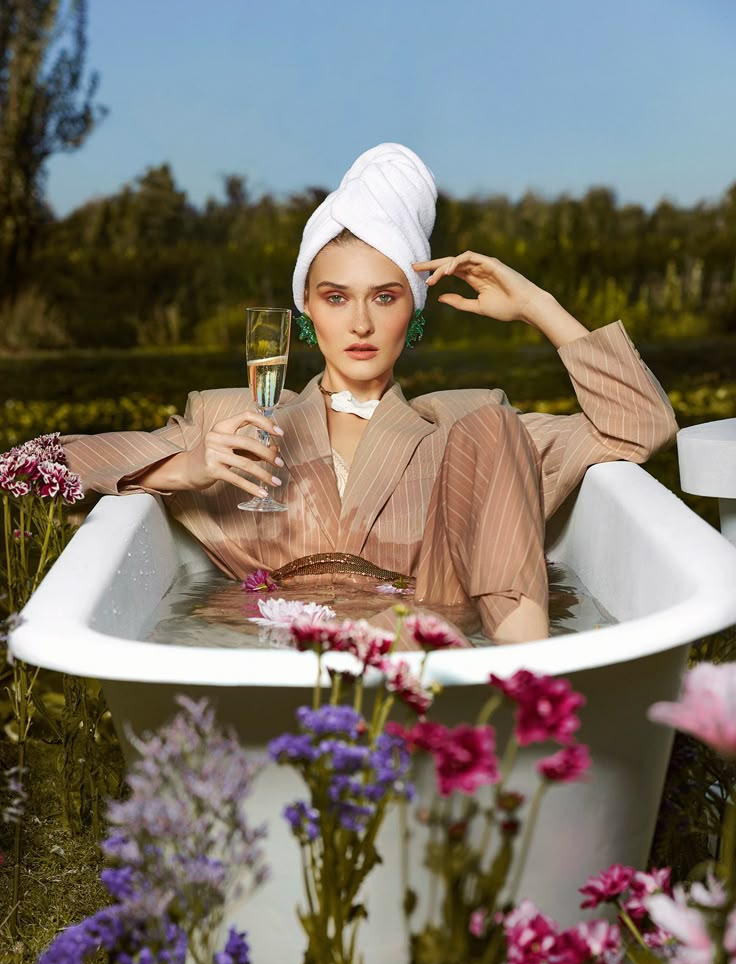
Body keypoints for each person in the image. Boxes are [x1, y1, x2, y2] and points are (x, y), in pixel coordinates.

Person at [61, 143, 678, 646]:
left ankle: (525, 689)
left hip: (438, 642)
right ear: (307, 308)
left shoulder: (466, 432)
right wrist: (188, 465)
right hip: (281, 651)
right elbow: (41, 463)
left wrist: (539, 308)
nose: (360, 324)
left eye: (385, 297)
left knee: (486, 417)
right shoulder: (232, 421)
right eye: (336, 298)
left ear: (413, 310)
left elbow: (638, 426)